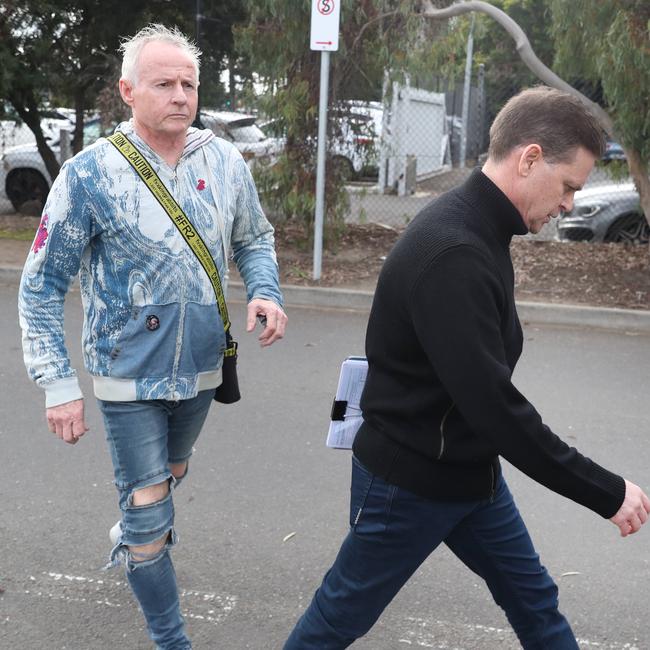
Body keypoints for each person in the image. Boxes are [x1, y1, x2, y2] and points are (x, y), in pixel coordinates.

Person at [284, 86, 649, 649]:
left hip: (468, 473)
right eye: (570, 186)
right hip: (408, 484)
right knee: (337, 620)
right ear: (529, 158)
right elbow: (497, 410)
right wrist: (604, 491)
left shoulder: (482, 228)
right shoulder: (453, 251)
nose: (570, 205)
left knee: (534, 601)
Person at [19, 24, 287, 649]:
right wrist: (59, 384)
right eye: (163, 83)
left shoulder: (223, 161)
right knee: (147, 510)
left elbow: (254, 237)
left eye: (188, 84)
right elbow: (41, 285)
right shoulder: (90, 175)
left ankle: (139, 523)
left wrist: (267, 292)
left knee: (172, 468)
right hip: (125, 371)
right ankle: (171, 636)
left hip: (201, 365)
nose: (179, 95)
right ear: (128, 91)